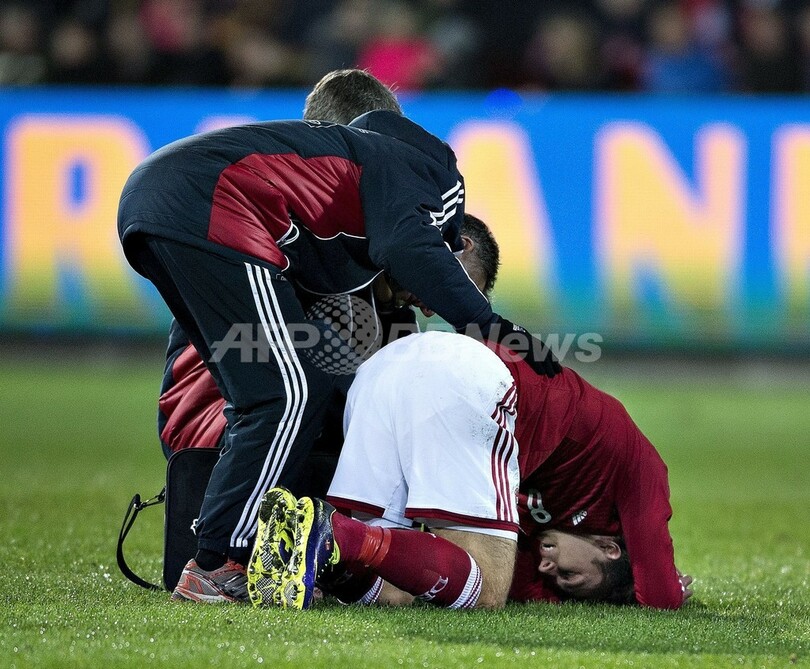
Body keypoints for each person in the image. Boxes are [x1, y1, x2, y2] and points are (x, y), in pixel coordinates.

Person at [117, 71, 559, 605]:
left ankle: (284, 552)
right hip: (222, 440)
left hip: (210, 435)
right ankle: (219, 562)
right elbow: (408, 257)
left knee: (320, 396)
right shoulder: (407, 184)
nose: (426, 306)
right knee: (294, 393)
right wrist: (490, 326)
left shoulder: (309, 236)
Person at [247, 224, 691, 611]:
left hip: (385, 367)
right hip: (469, 376)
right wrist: (658, 589)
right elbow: (660, 593)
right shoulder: (639, 464)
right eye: (570, 576)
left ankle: (320, 555)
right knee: (485, 591)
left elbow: (521, 582)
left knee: (395, 588)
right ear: (609, 549)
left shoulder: (544, 521)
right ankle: (334, 534)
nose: (549, 570)